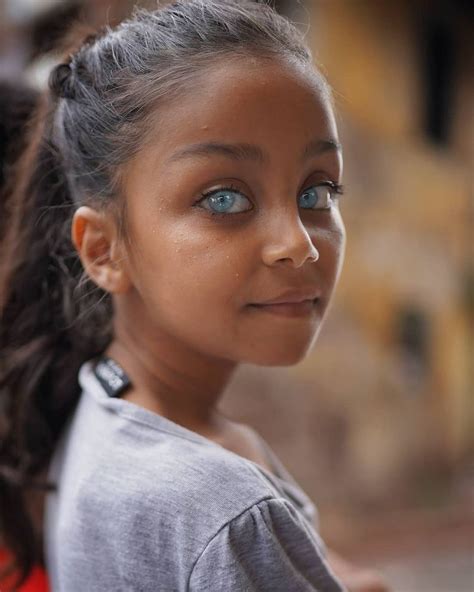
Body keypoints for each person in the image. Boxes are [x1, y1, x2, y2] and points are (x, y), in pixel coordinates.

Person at [0, 1, 390, 591]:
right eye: (223, 199)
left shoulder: (99, 405)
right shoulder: (221, 510)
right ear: (103, 250)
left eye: (318, 191)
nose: (299, 246)